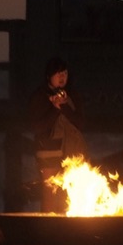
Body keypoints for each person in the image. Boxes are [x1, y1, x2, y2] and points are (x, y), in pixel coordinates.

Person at [28, 57, 88, 213]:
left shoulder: (72, 95)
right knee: (50, 198)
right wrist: (54, 108)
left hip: (73, 153)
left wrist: (64, 106)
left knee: (68, 198)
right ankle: (47, 233)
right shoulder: (40, 96)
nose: (62, 77)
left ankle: (66, 233)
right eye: (58, 73)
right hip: (49, 153)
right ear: (49, 76)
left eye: (65, 73)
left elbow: (80, 124)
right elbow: (38, 127)